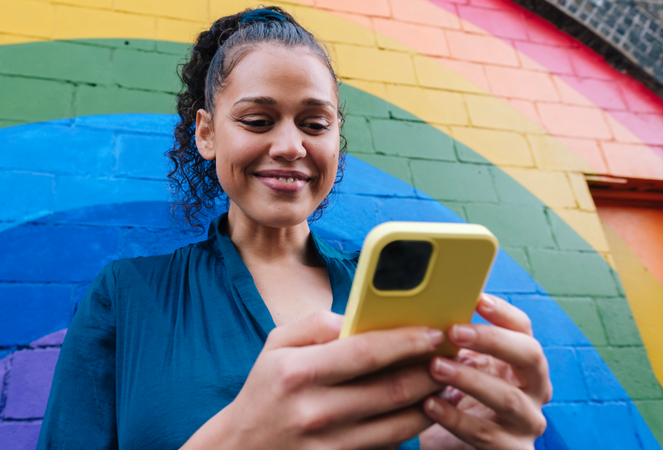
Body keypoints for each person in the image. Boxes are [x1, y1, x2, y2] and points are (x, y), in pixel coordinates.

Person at [37, 6, 551, 450]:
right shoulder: (126, 295)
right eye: (258, 120)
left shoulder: (388, 297)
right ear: (207, 133)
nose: (290, 146)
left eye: (315, 124)